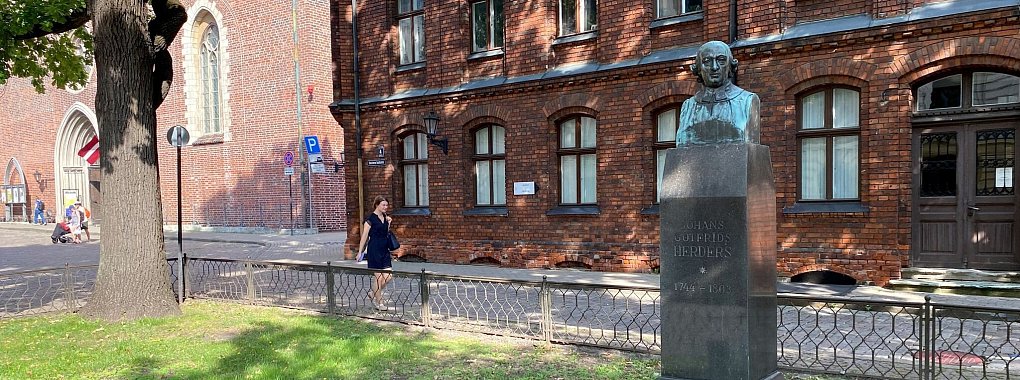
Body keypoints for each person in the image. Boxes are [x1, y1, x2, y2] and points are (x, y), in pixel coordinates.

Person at [676, 41, 761, 146]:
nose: (714, 67)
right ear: (698, 68)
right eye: (707, 61)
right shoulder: (688, 106)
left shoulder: (747, 101)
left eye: (721, 60)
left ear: (730, 65)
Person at [356, 195, 394, 311]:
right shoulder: (370, 220)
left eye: (387, 205)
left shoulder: (386, 218)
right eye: (383, 205)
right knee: (378, 277)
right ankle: (379, 302)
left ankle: (373, 293)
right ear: (377, 205)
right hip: (374, 249)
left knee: (388, 276)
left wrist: (389, 223)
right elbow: (364, 237)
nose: (385, 207)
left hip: (384, 249)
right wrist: (360, 252)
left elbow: (386, 233)